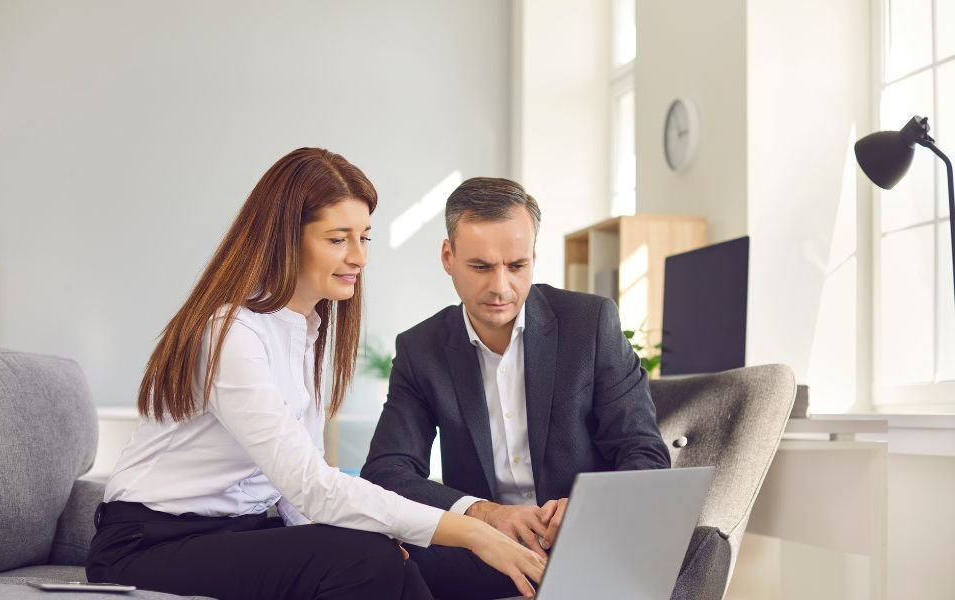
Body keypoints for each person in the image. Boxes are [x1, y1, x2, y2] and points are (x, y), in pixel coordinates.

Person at [86, 150, 546, 600]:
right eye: (337, 238)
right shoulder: (230, 333)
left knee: (381, 551)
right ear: (286, 238)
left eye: (364, 237)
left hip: (235, 528)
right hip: (147, 544)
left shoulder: (306, 330)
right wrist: (470, 531)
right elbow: (307, 484)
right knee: (365, 558)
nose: (359, 257)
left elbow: (296, 497)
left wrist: (378, 530)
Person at [361, 177, 672, 599]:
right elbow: (386, 471)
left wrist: (585, 509)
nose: (501, 287)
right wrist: (483, 516)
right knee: (366, 559)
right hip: (481, 551)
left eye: (517, 265)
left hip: (580, 544)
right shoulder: (421, 349)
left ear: (533, 257)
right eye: (481, 266)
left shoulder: (591, 324)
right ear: (448, 257)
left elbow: (645, 454)